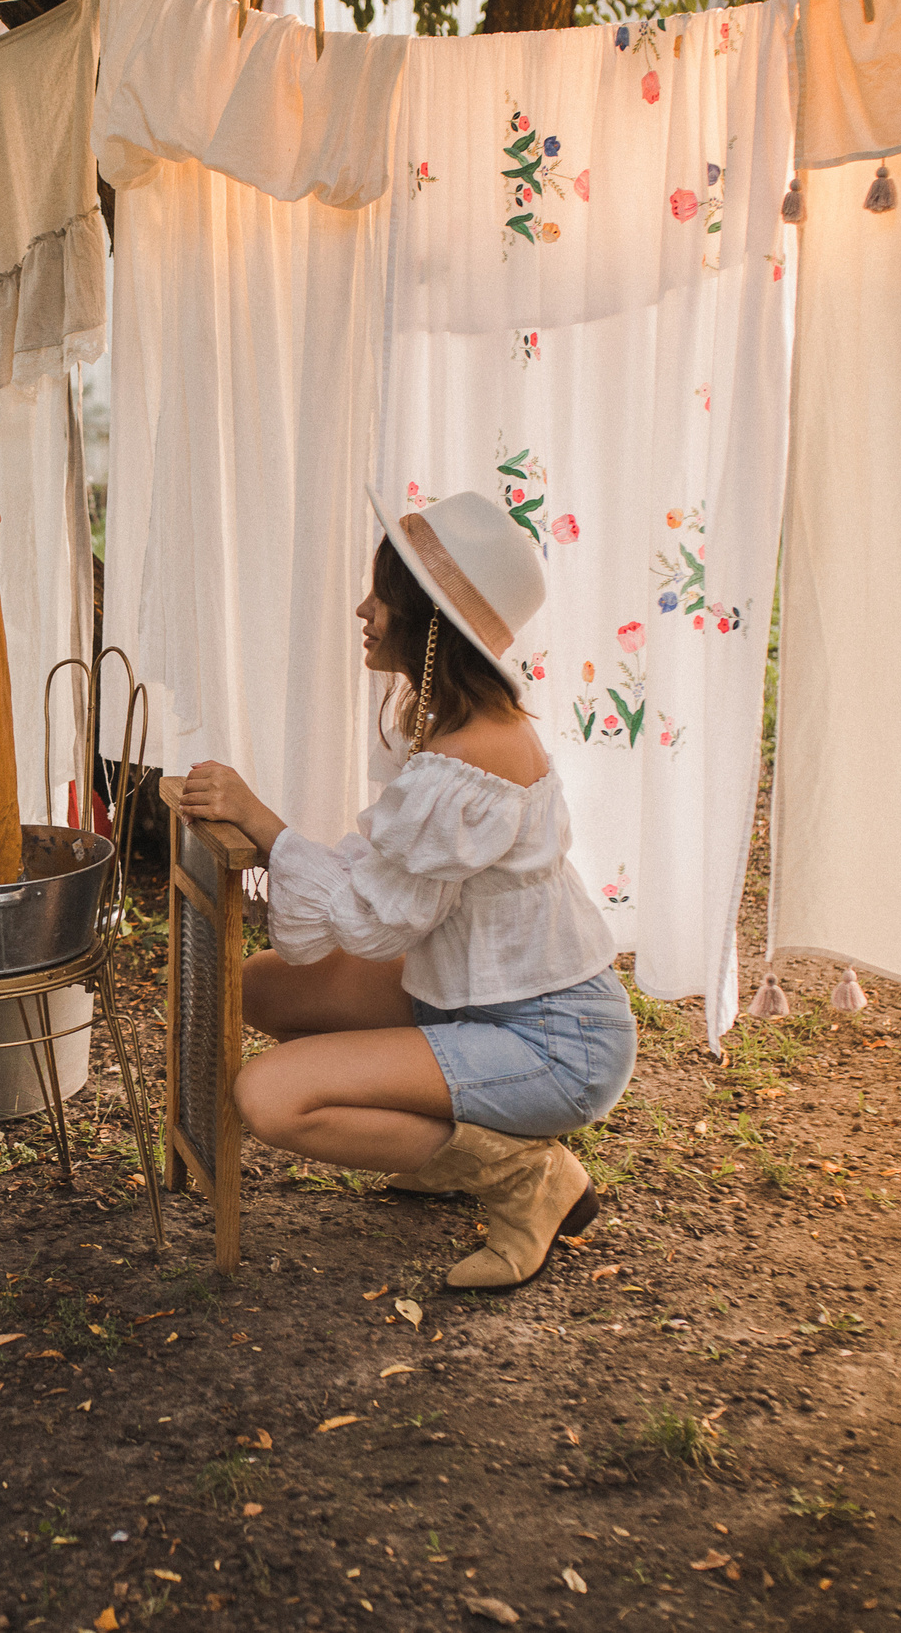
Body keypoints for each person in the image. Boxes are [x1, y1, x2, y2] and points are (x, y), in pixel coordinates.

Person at [173, 491, 637, 1289]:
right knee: (262, 987)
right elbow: (382, 874)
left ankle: (524, 1174)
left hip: (555, 1041)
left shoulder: (473, 754)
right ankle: (449, 1138)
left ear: (428, 624)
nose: (364, 610)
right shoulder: (449, 725)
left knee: (273, 1096)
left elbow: (368, 921)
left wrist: (265, 823)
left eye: (381, 595)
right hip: (473, 994)